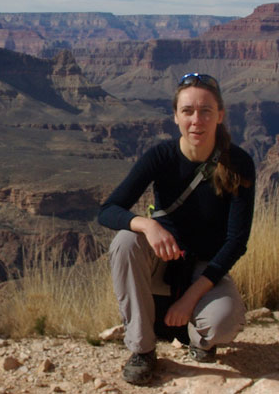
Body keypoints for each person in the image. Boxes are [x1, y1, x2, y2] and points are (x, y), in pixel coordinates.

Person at [97, 73, 256, 385]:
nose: (197, 120)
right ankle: (142, 350)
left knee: (223, 325)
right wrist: (147, 225)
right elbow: (108, 210)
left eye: (206, 111)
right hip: (162, 261)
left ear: (220, 115)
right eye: (188, 111)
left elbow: (236, 241)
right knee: (126, 241)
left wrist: (189, 298)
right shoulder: (161, 156)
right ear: (175, 116)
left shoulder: (238, 163)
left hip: (204, 269)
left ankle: (198, 340)